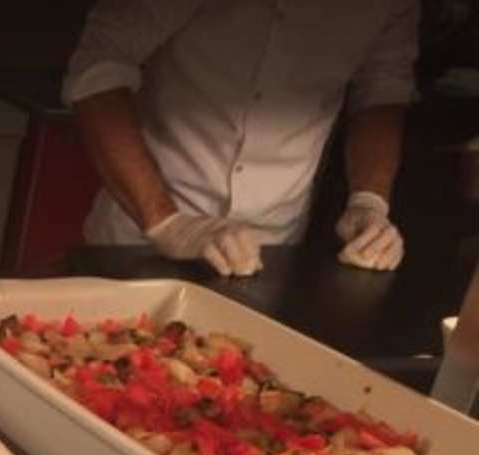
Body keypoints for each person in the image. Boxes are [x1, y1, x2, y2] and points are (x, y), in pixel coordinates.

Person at [63, 0, 419, 276]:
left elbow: (381, 95)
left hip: (270, 254)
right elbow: (99, 67)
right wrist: (166, 223)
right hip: (138, 239)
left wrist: (369, 202)